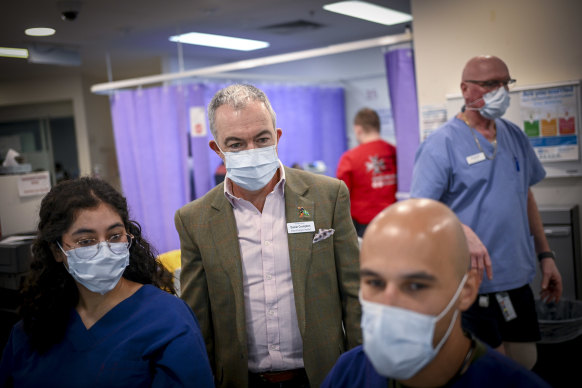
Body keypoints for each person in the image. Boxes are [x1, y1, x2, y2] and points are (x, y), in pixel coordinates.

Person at [175, 84, 361, 388]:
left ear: (276, 137)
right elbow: (199, 319)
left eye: (261, 139)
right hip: (242, 379)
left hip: (324, 374)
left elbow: (354, 295)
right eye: (235, 144)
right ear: (217, 149)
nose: (251, 151)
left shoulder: (328, 196)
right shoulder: (195, 220)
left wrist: (360, 369)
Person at [410, 55, 562, 368]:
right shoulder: (442, 143)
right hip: (471, 281)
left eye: (506, 82)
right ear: (466, 89)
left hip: (517, 276)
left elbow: (526, 195)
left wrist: (546, 256)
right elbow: (421, 211)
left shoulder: (514, 135)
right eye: (491, 83)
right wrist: (461, 230)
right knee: (490, 370)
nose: (501, 90)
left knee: (526, 362)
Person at [0, 177, 214, 387]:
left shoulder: (167, 318)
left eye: (114, 236)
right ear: (57, 250)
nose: (104, 250)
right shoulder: (32, 326)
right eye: (86, 241)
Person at [322, 198, 552, 388]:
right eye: (375, 282)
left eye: (415, 286)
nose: (388, 303)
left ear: (466, 290)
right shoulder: (349, 372)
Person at [336, 108, 397, 237]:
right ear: (378, 126)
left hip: (365, 228)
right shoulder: (395, 152)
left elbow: (340, 196)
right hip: (394, 222)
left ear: (358, 129)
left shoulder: (350, 158)